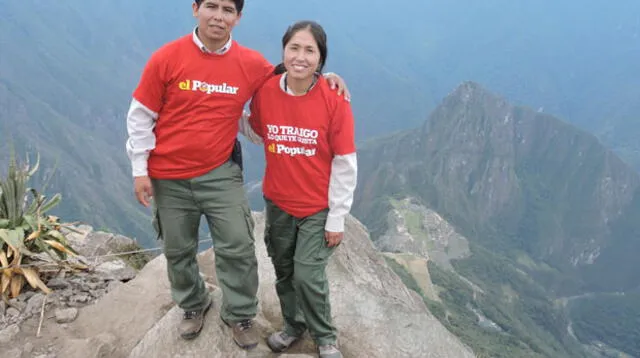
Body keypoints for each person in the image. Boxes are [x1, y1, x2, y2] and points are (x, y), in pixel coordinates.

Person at [125, 0, 349, 350]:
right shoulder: (167, 57)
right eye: (211, 6)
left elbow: (292, 75)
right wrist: (140, 170)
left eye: (228, 9)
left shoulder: (250, 64)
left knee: (238, 245)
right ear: (195, 8)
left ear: (238, 17)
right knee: (178, 248)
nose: (218, 16)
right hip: (167, 174)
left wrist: (328, 79)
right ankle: (193, 304)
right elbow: (141, 115)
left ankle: (241, 314)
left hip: (218, 170)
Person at [247, 20, 357, 358]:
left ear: (321, 59)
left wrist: (337, 217)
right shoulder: (266, 91)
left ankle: (325, 337)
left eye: (310, 50)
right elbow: (255, 129)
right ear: (283, 51)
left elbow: (344, 162)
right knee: (283, 270)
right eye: (294, 48)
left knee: (308, 274)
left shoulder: (333, 100)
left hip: (316, 207)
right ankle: (294, 326)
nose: (301, 56)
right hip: (278, 202)